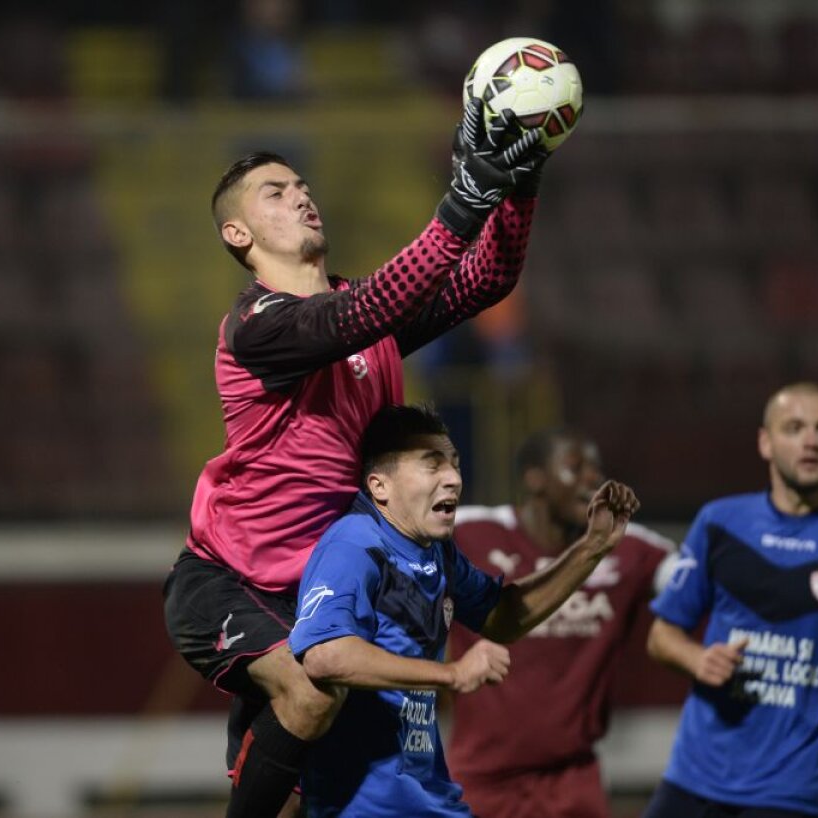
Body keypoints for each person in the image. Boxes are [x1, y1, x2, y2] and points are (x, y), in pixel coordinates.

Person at [163, 97, 551, 818]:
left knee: (315, 780)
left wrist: (519, 186)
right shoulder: (257, 328)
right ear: (238, 232)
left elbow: (486, 280)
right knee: (314, 693)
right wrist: (465, 197)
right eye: (275, 192)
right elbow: (362, 313)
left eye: (302, 184)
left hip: (320, 582)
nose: (301, 195)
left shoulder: (355, 316)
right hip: (231, 579)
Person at [287, 404, 641, 817]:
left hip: (428, 798)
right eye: (432, 465)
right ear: (380, 486)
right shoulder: (354, 544)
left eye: (454, 464)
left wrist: (591, 548)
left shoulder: (436, 552)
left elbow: (502, 616)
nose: (453, 479)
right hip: (364, 808)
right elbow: (326, 654)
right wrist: (451, 674)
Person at [643, 382, 818, 818]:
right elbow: (661, 636)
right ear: (765, 442)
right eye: (794, 427)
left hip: (790, 795)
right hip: (693, 779)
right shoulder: (720, 523)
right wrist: (696, 659)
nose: (811, 441)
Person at [446, 430, 676, 818]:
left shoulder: (629, 547)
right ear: (534, 478)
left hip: (574, 780)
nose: (591, 478)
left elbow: (704, 582)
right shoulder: (469, 532)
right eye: (575, 467)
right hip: (482, 780)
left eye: (595, 469)